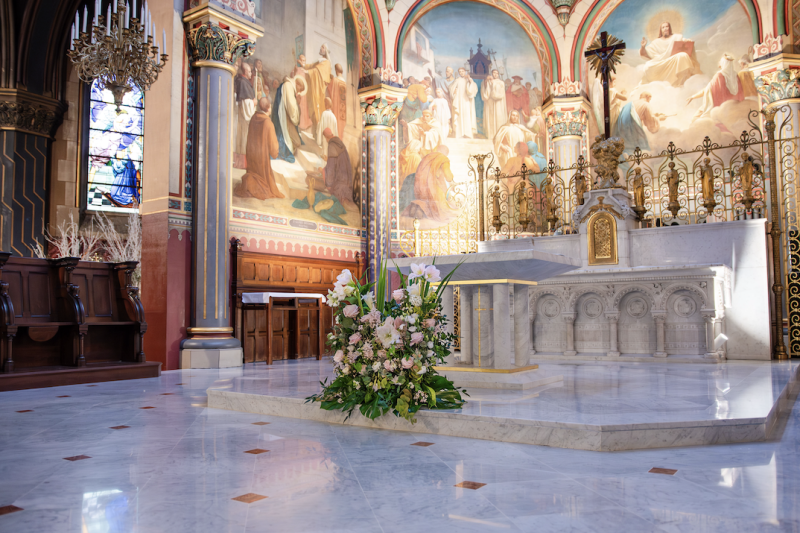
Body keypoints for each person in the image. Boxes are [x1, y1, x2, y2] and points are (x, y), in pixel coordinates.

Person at [235, 98, 284, 200]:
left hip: (252, 155)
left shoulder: (254, 117)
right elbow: (274, 148)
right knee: (264, 181)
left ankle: (249, 183)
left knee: (253, 173)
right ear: (268, 108)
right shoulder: (267, 122)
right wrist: (275, 152)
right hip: (261, 159)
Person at [401, 145, 456, 222]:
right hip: (431, 187)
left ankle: (418, 208)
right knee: (442, 207)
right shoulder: (443, 159)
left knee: (425, 200)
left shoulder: (428, 156)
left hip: (419, 186)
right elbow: (448, 176)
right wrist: (452, 177)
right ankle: (421, 210)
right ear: (445, 153)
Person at [640, 21, 702, 87]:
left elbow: (685, 43)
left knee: (683, 56)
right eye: (663, 27)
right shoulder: (656, 42)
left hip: (673, 60)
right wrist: (643, 47)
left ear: (669, 28)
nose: (665, 28)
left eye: (667, 26)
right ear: (661, 30)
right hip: (661, 62)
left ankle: (681, 81)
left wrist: (688, 41)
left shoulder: (676, 37)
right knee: (647, 66)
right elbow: (644, 54)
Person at [687, 54, 744, 120]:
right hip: (732, 107)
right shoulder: (735, 75)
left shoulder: (719, 75)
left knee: (695, 118)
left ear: (723, 63)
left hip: (719, 107)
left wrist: (693, 96)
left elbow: (708, 89)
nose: (719, 62)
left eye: (720, 61)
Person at [272, 75, 305, 163]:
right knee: (294, 142)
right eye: (299, 90)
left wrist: (297, 103)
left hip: (287, 117)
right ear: (297, 84)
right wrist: (297, 103)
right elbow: (291, 107)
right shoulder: (288, 86)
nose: (298, 92)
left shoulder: (290, 86)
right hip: (285, 118)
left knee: (297, 142)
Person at [321, 128, 354, 207]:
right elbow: (338, 161)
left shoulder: (332, 146)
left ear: (326, 137)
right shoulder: (339, 142)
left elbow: (331, 168)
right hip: (347, 181)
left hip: (339, 183)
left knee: (323, 171)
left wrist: (328, 184)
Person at [305, 44, 333, 130]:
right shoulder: (319, 61)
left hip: (320, 90)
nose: (321, 48)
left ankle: (319, 130)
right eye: (321, 47)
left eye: (323, 47)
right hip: (315, 88)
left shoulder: (326, 62)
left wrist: (308, 72)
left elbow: (316, 71)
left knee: (318, 108)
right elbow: (311, 66)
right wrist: (304, 66)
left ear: (326, 50)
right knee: (313, 109)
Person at [234, 62, 256, 168]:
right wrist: (253, 103)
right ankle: (242, 163)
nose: (251, 74)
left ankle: (239, 162)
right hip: (244, 118)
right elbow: (246, 103)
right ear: (246, 71)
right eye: (250, 72)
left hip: (240, 116)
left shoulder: (241, 80)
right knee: (244, 138)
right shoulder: (243, 82)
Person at [449, 68, 478, 139]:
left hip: (466, 101)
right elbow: (451, 88)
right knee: (459, 116)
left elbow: (472, 90)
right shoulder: (457, 80)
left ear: (465, 72)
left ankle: (468, 133)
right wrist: (454, 91)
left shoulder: (468, 79)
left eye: (463, 71)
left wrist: (470, 81)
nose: (461, 73)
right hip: (459, 100)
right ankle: (460, 133)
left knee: (467, 115)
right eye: (460, 72)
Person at [481, 69, 508, 140]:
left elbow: (500, 93)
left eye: (496, 73)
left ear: (498, 74)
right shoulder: (489, 81)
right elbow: (486, 91)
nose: (495, 74)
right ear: (492, 74)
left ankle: (499, 135)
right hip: (491, 102)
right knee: (491, 118)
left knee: (499, 117)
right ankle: (491, 134)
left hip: (498, 103)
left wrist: (493, 84)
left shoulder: (501, 82)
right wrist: (488, 82)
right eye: (494, 73)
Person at [326, 63, 348, 139]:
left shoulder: (334, 80)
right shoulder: (346, 84)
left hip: (336, 108)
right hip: (344, 108)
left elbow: (328, 90)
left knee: (336, 123)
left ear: (336, 71)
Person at [292, 54, 312, 131]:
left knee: (305, 108)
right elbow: (294, 79)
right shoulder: (296, 69)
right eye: (302, 60)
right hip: (298, 92)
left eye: (304, 60)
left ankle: (305, 123)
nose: (303, 62)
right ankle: (299, 123)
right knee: (299, 107)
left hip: (305, 92)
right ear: (299, 60)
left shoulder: (306, 71)